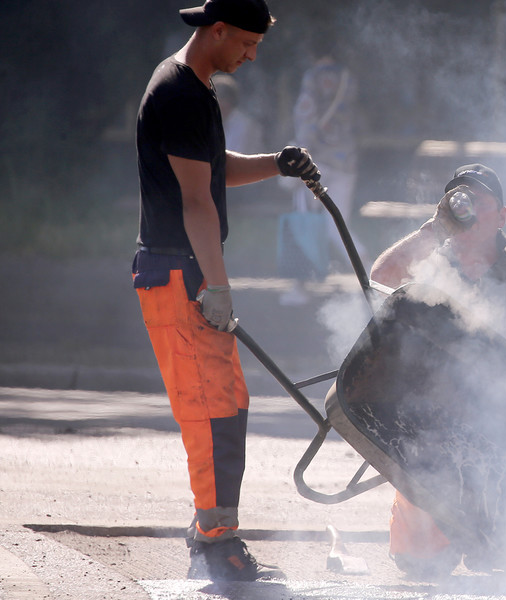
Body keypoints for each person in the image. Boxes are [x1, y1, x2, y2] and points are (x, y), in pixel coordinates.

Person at [132, 0, 320, 582]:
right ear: (217, 30)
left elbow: (213, 171)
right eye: (246, 42)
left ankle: (213, 531)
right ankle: (217, 543)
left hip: (185, 272)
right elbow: (196, 201)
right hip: (177, 275)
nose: (252, 54)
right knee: (211, 410)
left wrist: (277, 163)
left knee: (229, 403)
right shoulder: (182, 94)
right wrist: (217, 285)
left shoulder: (196, 88)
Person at [369, 163, 506, 577]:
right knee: (420, 564)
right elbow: (380, 278)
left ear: (502, 215)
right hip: (434, 436)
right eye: (458, 200)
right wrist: (434, 229)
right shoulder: (428, 271)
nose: (466, 210)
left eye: (479, 202)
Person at [277, 50, 362, 306]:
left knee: (303, 219)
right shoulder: (348, 81)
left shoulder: (312, 79)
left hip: (314, 162)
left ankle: (299, 286)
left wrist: (293, 157)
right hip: (345, 161)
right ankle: (367, 271)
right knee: (338, 224)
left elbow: (307, 123)